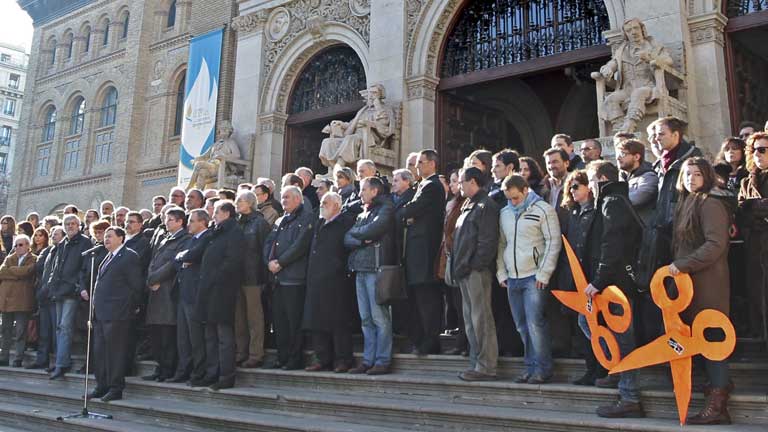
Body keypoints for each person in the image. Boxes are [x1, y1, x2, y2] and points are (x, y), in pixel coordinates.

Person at [669, 157, 733, 425]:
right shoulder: (685, 203)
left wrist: (683, 265)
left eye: (697, 174)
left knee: (713, 339)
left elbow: (715, 244)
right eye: (687, 174)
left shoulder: (710, 203)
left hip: (708, 283)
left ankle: (718, 405)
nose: (691, 178)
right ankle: (714, 396)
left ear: (706, 176)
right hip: (689, 286)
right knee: (701, 341)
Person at [582, 161, 644, 418]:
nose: (589, 187)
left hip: (616, 283)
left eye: (591, 180)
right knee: (588, 323)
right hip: (612, 281)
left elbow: (612, 244)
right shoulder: (613, 200)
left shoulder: (613, 202)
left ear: (602, 179)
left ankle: (629, 396)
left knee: (621, 336)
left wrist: (599, 279)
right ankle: (617, 369)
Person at [637, 117, 701, 345]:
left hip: (682, 240)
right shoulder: (659, 165)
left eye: (660, 134)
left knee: (682, 301)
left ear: (676, 135)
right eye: (653, 135)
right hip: (658, 241)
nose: (655, 139)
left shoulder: (692, 161)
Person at [497, 174, 562, 384]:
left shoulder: (543, 210)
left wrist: (544, 273)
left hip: (534, 276)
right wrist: (501, 272)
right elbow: (501, 244)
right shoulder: (505, 213)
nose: (512, 202)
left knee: (535, 323)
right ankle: (530, 366)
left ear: (525, 190)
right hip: (512, 277)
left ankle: (543, 368)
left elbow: (553, 242)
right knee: (521, 326)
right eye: (509, 198)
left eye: (515, 197)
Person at [451, 167, 500, 381]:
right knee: (470, 320)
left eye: (461, 182)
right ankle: (476, 361)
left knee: (481, 319)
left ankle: (486, 365)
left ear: (472, 181)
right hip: (464, 270)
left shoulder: (485, 205)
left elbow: (487, 242)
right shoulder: (468, 205)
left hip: (475, 272)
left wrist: (475, 265)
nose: (459, 186)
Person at [345, 176, 396, 375]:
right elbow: (346, 238)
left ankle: (382, 360)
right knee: (365, 318)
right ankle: (368, 359)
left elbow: (375, 228)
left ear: (374, 191)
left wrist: (360, 233)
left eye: (363, 190)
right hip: (360, 268)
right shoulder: (363, 211)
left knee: (379, 317)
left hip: (376, 269)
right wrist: (362, 239)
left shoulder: (386, 208)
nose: (359, 194)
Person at [85, 227, 143, 402]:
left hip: (118, 314)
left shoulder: (129, 256)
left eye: (110, 236)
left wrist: (130, 307)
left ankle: (115, 388)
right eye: (105, 236)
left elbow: (136, 286)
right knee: (100, 352)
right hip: (101, 314)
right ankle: (101, 385)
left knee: (115, 353)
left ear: (121, 238)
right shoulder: (105, 257)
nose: (106, 239)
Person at [559, 170, 606, 386]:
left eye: (577, 185)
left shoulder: (598, 211)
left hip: (592, 278)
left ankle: (603, 367)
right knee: (582, 326)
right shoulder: (573, 213)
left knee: (597, 325)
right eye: (570, 186)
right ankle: (591, 368)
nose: (572, 190)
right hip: (575, 279)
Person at [192, 200, 245, 390]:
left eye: (216, 213)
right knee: (209, 335)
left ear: (227, 213)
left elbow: (233, 261)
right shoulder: (215, 233)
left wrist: (215, 277)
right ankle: (211, 373)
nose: (213, 216)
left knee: (223, 336)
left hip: (222, 290)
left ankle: (226, 375)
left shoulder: (234, 232)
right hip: (208, 290)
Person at [398, 149, 446, 355]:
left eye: (421, 162)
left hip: (426, 251)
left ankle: (431, 339)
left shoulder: (432, 185)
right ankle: (420, 338)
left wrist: (406, 214)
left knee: (427, 299)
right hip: (416, 252)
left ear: (432, 164)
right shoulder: (422, 185)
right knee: (417, 298)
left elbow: (410, 209)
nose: (417, 166)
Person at [303, 193, 356, 372]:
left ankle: (342, 360)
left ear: (337, 205)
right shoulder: (319, 223)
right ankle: (322, 358)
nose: (322, 205)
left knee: (338, 321)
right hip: (316, 279)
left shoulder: (345, 222)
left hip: (336, 280)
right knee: (317, 320)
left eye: (326, 203)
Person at [263, 186, 314, 370]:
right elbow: (269, 242)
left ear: (298, 199)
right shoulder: (280, 220)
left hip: (294, 278)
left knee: (294, 322)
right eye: (282, 197)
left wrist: (281, 262)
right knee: (280, 322)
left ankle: (294, 358)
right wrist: (268, 261)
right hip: (277, 279)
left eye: (287, 197)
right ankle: (281, 357)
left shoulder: (307, 217)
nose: (283, 200)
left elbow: (300, 245)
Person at [143, 207, 190, 382]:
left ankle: (168, 369)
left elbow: (172, 264)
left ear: (180, 222)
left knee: (167, 334)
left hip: (167, 291)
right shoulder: (164, 238)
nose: (166, 222)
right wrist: (149, 279)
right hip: (154, 291)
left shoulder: (184, 239)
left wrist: (155, 279)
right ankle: (160, 367)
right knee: (156, 333)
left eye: (170, 219)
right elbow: (153, 261)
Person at [48, 214, 91, 380]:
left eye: (73, 223)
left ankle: (61, 364)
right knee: (59, 327)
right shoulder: (62, 243)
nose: (70, 226)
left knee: (65, 327)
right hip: (59, 291)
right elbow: (56, 267)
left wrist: (78, 286)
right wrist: (52, 285)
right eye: (67, 223)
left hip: (72, 292)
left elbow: (84, 267)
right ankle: (60, 360)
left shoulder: (85, 242)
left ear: (79, 225)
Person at [174, 209, 212, 386]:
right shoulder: (191, 239)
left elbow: (190, 256)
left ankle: (198, 373)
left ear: (202, 222)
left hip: (195, 295)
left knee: (196, 338)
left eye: (192, 221)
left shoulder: (206, 237)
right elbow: (179, 258)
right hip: (183, 293)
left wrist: (184, 257)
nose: (188, 224)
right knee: (183, 337)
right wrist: (183, 258)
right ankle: (184, 370)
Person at [234, 191, 271, 368]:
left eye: (240, 200)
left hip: (253, 276)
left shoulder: (260, 223)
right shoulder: (237, 223)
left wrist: (264, 278)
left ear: (250, 203)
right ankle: (241, 351)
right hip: (237, 277)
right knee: (239, 317)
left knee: (254, 317)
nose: (236, 203)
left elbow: (265, 250)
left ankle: (256, 353)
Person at [738, 132, 768, 339]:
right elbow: (740, 212)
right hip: (755, 246)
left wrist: (753, 208)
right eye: (754, 149)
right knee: (758, 296)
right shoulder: (747, 182)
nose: (757, 154)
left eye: (763, 149)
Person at [436, 170, 468, 356]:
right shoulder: (451, 204)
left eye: (457, 181)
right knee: (456, 303)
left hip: (460, 258)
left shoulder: (465, 204)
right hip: (449, 259)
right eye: (453, 181)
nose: (455, 184)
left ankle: (465, 343)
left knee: (464, 305)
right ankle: (461, 341)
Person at [27, 227, 64, 370]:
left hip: (55, 296)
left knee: (56, 331)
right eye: (53, 234)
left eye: (57, 234)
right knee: (44, 331)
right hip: (43, 296)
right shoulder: (48, 251)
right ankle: (41, 359)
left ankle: (56, 361)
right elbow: (39, 266)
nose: (53, 236)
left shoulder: (64, 250)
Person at [0, 234, 37, 367]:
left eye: (20, 245)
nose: (17, 247)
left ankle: (18, 358)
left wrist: (12, 272)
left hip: (22, 300)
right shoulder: (9, 258)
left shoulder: (33, 259)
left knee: (21, 331)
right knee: (5, 331)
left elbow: (27, 272)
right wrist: (17, 274)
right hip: (7, 299)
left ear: (28, 246)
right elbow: (2, 272)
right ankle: (3, 357)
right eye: (16, 245)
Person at [616, 139, 658, 224]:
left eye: (623, 154)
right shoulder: (623, 177)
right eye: (618, 154)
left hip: (644, 230)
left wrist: (614, 201)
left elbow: (635, 199)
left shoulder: (649, 177)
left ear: (636, 157)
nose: (618, 158)